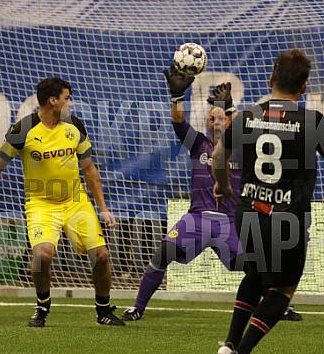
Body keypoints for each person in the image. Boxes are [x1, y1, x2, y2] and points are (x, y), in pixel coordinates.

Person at [122, 65, 301, 322]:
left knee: (256, 265)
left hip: (230, 222)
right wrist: (176, 97)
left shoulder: (242, 146)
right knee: (162, 253)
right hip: (197, 219)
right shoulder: (198, 145)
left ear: (229, 120)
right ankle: (137, 307)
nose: (215, 121)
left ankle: (278, 307)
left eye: (220, 117)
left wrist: (230, 107)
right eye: (210, 118)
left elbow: (248, 125)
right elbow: (178, 122)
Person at [212, 49, 324, 354]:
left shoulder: (246, 117)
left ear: (271, 80)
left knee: (256, 274)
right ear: (304, 87)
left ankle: (229, 344)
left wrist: (224, 186)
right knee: (282, 290)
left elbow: (218, 156)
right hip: (287, 218)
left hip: (248, 210)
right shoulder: (313, 122)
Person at [0, 77, 125, 327]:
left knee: (101, 255)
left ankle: (103, 311)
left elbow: (89, 168)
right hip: (41, 204)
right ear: (52, 101)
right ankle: (42, 307)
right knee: (42, 256)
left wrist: (103, 208)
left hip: (75, 201)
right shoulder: (24, 129)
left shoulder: (74, 126)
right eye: (67, 98)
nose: (71, 103)